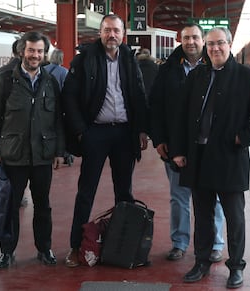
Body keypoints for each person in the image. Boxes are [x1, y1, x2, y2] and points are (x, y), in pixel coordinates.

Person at [170, 27, 250, 288]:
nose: (215, 48)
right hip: (199, 158)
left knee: (235, 219)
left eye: (220, 43)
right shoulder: (196, 76)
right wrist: (178, 151)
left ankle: (236, 267)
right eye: (211, 44)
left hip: (230, 160)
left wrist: (238, 139)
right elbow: (181, 117)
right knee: (202, 216)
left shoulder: (247, 78)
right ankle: (201, 262)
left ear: (229, 44)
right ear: (206, 46)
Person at [61, 14, 149, 268]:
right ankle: (76, 247)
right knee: (86, 192)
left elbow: (139, 96)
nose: (112, 35)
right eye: (107, 30)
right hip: (95, 133)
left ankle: (125, 246)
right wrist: (81, 131)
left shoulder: (130, 61)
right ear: (100, 33)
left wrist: (142, 130)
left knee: (125, 193)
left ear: (123, 35)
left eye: (116, 31)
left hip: (124, 133)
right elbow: (70, 97)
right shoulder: (84, 59)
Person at [0, 31, 65, 269]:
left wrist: (59, 151)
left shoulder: (50, 81)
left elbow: (58, 120)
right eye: (31, 50)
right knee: (10, 205)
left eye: (40, 51)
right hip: (13, 154)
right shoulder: (5, 78)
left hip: (42, 154)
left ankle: (44, 248)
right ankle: (7, 251)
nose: (35, 55)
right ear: (22, 51)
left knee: (43, 205)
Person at [149, 23, 225, 263]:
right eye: (186, 38)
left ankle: (215, 243)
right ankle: (179, 243)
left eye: (195, 37)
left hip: (208, 146)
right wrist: (159, 138)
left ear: (203, 40)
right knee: (179, 196)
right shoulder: (168, 69)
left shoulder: (216, 65)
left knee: (213, 197)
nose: (190, 42)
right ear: (180, 41)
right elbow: (156, 106)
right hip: (176, 144)